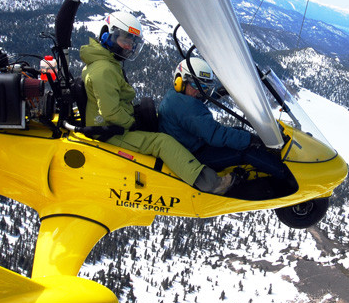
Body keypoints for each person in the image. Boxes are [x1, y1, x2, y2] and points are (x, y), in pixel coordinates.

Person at [79, 11, 234, 195]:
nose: (128, 47)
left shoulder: (105, 62)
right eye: (125, 40)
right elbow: (111, 113)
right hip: (109, 131)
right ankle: (211, 183)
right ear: (107, 34)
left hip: (113, 124)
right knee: (162, 142)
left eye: (132, 43)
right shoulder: (104, 70)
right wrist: (133, 124)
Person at [158, 56, 290, 182]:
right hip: (195, 156)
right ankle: (285, 176)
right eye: (196, 85)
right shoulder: (185, 106)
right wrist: (253, 139)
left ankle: (271, 158)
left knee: (239, 132)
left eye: (204, 87)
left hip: (191, 144)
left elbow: (199, 100)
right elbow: (215, 134)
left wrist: (219, 92)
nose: (199, 91)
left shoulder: (177, 95)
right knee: (244, 150)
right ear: (180, 81)